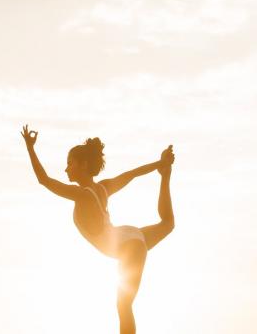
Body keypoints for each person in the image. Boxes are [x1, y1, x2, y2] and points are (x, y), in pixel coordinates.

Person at [21, 124, 175, 334]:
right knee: (167, 224)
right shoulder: (103, 187)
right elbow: (132, 174)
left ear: (83, 165)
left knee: (123, 305)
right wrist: (161, 163)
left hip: (128, 244)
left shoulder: (82, 195)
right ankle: (166, 175)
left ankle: (165, 173)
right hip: (128, 235)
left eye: (69, 163)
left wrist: (30, 147)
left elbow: (44, 180)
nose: (66, 169)